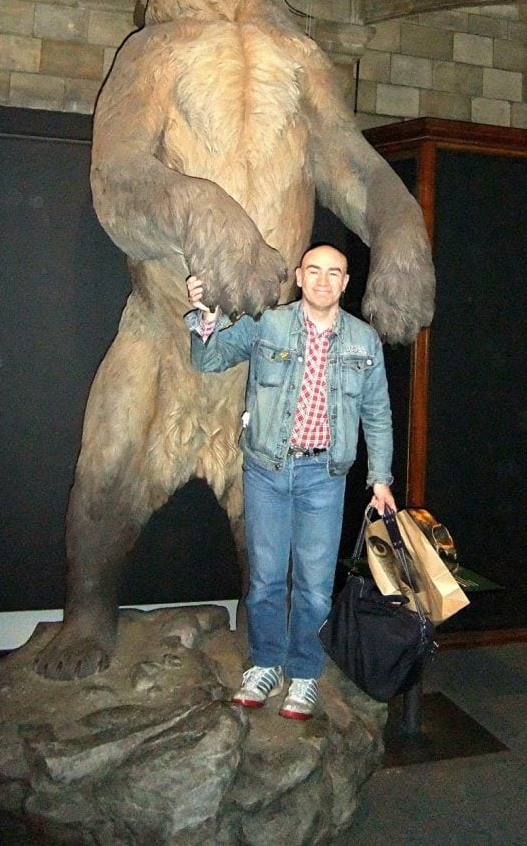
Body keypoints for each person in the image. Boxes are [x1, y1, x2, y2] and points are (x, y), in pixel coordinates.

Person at [185, 243, 397, 721]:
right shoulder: (268, 324)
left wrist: (380, 478)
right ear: (299, 277)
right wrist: (205, 317)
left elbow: (377, 414)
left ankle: (304, 673)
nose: (323, 280)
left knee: (315, 586)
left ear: (346, 282)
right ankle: (265, 664)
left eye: (334, 273)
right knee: (264, 579)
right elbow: (209, 359)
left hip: (325, 476)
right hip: (267, 470)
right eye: (314, 270)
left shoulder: (364, 341)